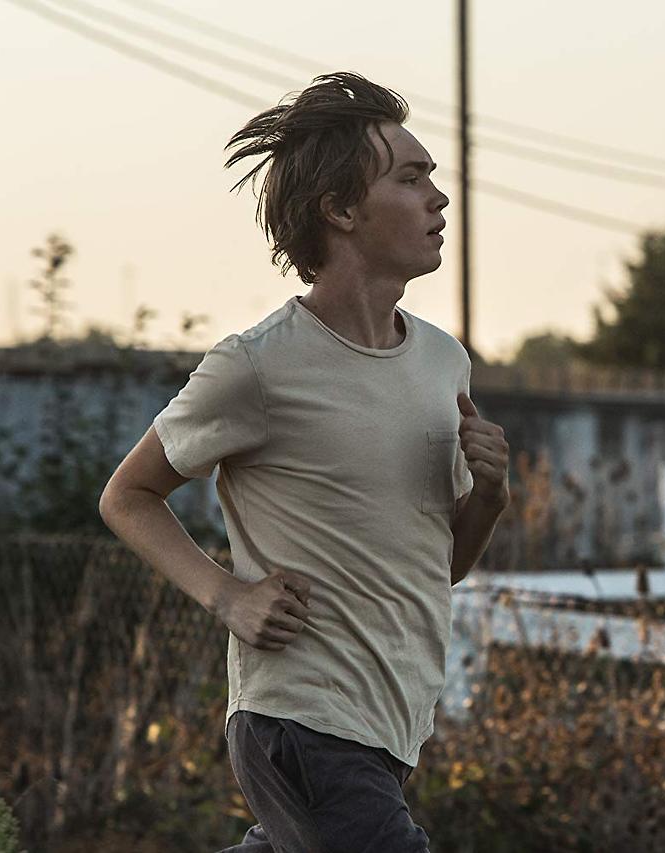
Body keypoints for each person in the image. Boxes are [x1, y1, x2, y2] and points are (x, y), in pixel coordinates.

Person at [98, 71, 511, 852]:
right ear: (342, 209)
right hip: (301, 718)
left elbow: (441, 565)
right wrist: (227, 595)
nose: (439, 198)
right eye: (412, 178)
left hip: (390, 726)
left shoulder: (443, 363)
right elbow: (128, 495)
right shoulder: (257, 366)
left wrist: (489, 494)